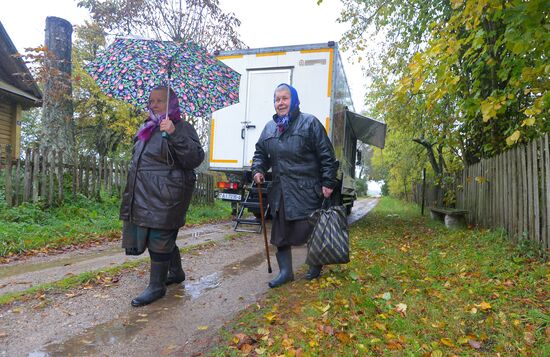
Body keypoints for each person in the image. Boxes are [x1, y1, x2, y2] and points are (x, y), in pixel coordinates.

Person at [120, 86, 204, 306]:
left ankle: (157, 286)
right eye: (151, 100)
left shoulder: (182, 127)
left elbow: (194, 159)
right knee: (154, 235)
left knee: (160, 236)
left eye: (159, 101)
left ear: (171, 104)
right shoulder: (146, 127)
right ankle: (175, 271)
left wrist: (174, 134)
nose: (153, 105)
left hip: (168, 193)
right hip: (144, 192)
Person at [251, 83, 338, 288]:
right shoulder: (269, 128)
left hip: (307, 189)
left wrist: (328, 181)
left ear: (294, 100)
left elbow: (326, 154)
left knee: (311, 230)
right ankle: (285, 273)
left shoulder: (310, 123)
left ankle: (315, 266)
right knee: (281, 234)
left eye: (285, 98)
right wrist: (258, 170)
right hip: (281, 191)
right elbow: (260, 153)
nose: (280, 103)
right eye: (277, 99)